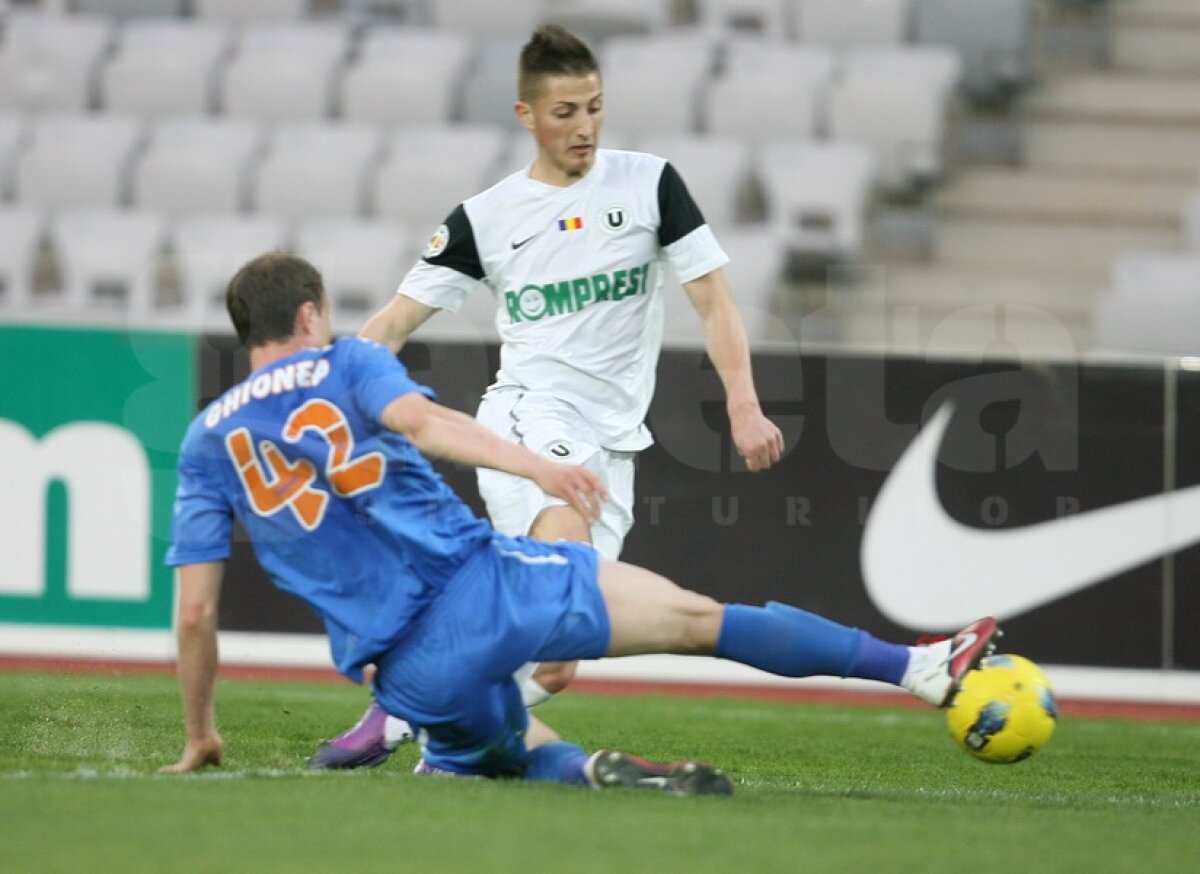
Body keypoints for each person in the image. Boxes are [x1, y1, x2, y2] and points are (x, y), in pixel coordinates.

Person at [160, 252, 1000, 796]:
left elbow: (195, 613)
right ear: (310, 315)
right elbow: (423, 425)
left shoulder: (204, 443)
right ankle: (919, 668)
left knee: (508, 754)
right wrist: (537, 466)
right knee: (698, 621)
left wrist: (202, 733)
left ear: (248, 336)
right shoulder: (347, 360)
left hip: (404, 669)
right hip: (485, 587)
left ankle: (590, 773)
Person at [309, 22, 786, 768]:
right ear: (526, 115)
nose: (585, 127)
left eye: (594, 107)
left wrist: (744, 402)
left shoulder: (650, 183)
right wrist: (325, 392)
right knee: (560, 586)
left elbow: (715, 301)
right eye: (565, 112)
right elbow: (395, 321)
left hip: (613, 440)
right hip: (532, 418)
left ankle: (419, 715)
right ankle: (411, 716)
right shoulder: (486, 217)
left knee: (558, 657)